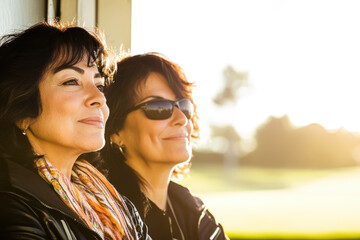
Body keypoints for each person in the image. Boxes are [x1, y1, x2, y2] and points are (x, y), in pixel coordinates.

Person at [0, 22, 149, 240]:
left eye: (99, 85)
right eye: (71, 81)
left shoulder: (116, 204)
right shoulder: (11, 205)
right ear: (22, 112)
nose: (99, 98)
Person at [102, 53, 229, 240]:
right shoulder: (103, 213)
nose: (181, 119)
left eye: (184, 107)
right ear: (116, 131)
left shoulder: (193, 211)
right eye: (158, 107)